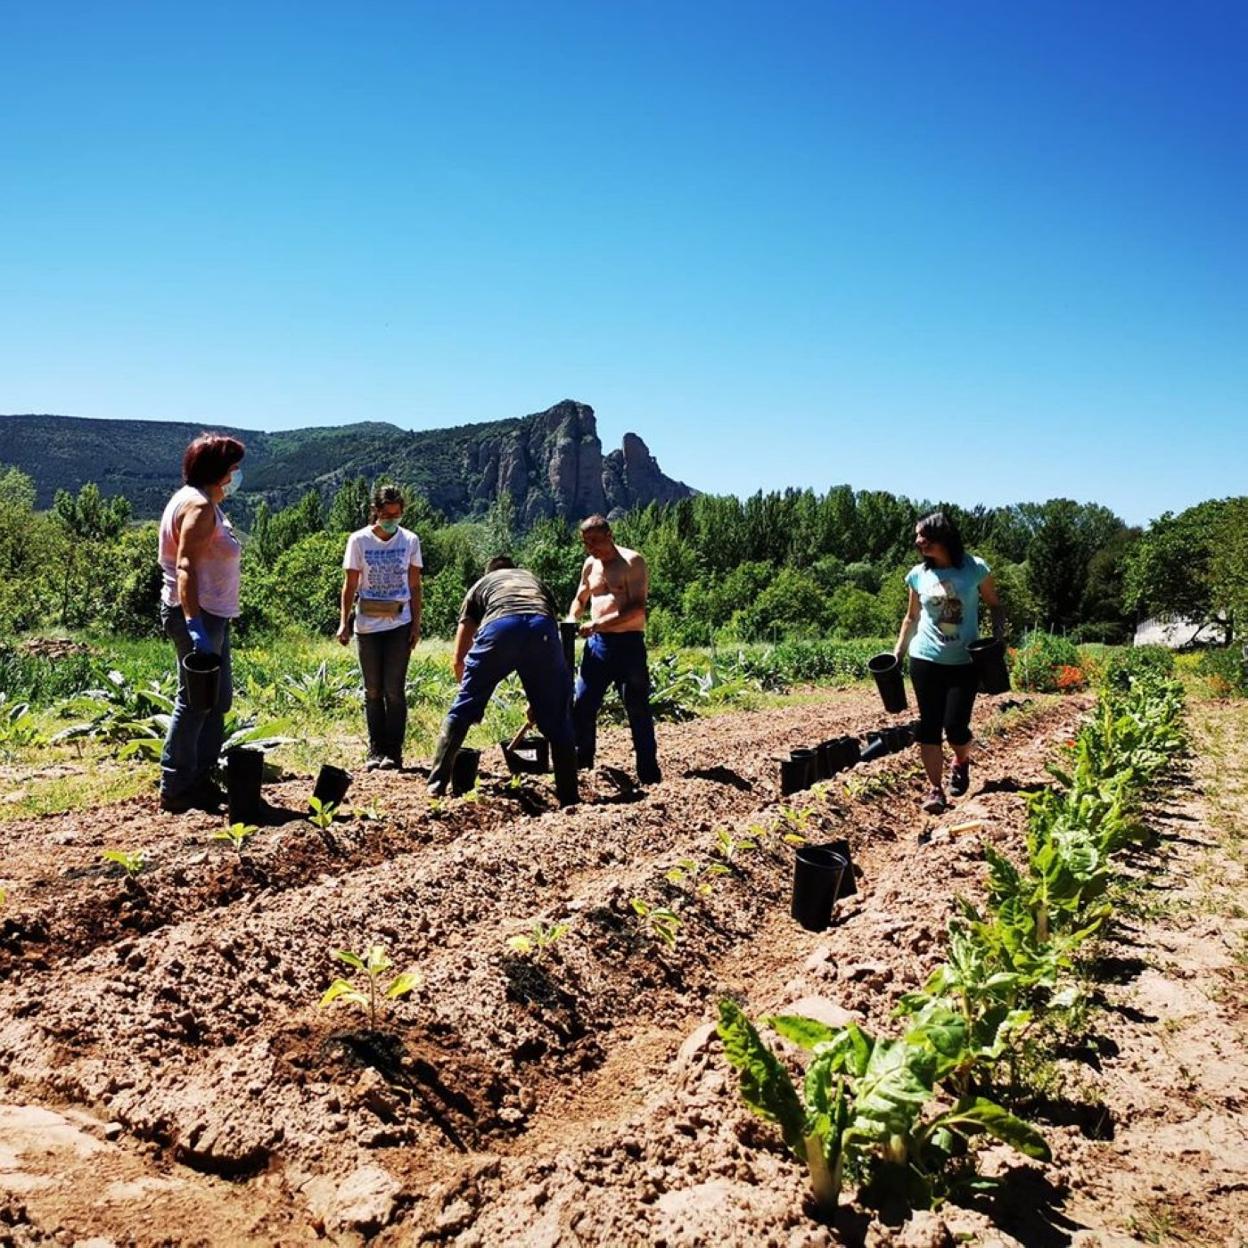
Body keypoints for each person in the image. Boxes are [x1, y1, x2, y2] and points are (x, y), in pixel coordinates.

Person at [427, 557, 578, 806]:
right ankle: (569, 797)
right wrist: (541, 702)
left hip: (501, 626)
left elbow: (459, 657)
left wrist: (470, 693)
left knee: (462, 709)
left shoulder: (480, 586)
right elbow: (545, 631)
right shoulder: (534, 582)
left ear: (489, 573)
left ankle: (436, 785)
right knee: (559, 720)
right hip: (541, 628)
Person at [893, 511, 1003, 814]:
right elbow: (911, 617)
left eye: (923, 536)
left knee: (956, 727)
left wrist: (997, 641)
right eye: (917, 536)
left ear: (942, 537)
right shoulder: (918, 575)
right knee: (928, 727)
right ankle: (935, 790)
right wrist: (897, 653)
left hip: (965, 661)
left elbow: (995, 605)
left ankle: (962, 759)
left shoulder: (975, 568)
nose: (918, 541)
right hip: (925, 658)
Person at [157, 433, 246, 813]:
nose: (236, 475)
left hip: (214, 615)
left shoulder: (204, 501)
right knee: (195, 701)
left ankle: (203, 774)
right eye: (233, 468)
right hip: (199, 614)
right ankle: (177, 783)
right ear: (218, 470)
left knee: (217, 699)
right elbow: (186, 566)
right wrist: (194, 624)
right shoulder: (198, 507)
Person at [569, 515, 660, 785]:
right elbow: (580, 597)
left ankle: (648, 773)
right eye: (586, 543)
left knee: (637, 707)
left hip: (628, 644)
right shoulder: (589, 565)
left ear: (609, 534)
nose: (591, 548)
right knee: (583, 703)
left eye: (595, 541)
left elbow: (637, 609)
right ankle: (584, 764)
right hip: (597, 646)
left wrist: (596, 623)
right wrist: (573, 619)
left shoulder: (633, 562)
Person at [336, 484, 423, 770]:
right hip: (367, 625)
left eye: (397, 515)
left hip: (399, 622)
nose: (392, 520)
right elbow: (350, 585)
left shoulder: (410, 540)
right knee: (372, 690)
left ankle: (393, 752)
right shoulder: (358, 541)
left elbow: (414, 584)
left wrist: (416, 624)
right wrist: (343, 623)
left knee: (394, 690)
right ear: (376, 512)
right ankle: (375, 749)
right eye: (386, 514)